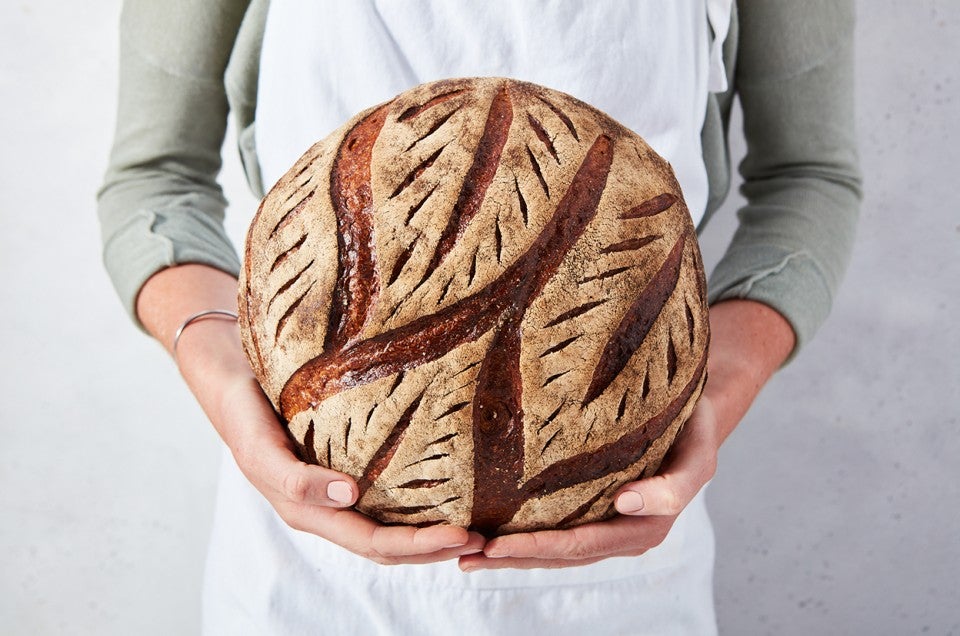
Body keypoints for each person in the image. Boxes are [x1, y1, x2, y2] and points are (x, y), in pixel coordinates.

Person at [98, 1, 861, 634]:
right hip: (303, 578)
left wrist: (712, 399)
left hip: (622, 576)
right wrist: (229, 391)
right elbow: (156, 181)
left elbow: (808, 178)